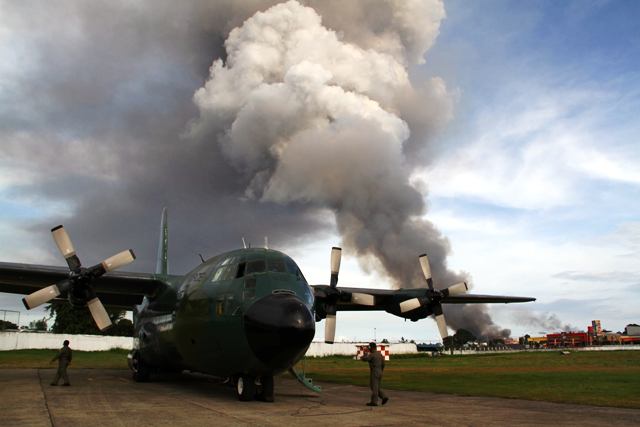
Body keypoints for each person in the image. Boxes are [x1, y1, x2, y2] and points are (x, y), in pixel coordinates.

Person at [360, 342, 388, 406]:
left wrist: (364, 354)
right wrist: (381, 370)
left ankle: (374, 402)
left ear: (371, 347)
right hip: (380, 371)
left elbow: (365, 359)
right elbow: (383, 364)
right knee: (376, 387)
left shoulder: (372, 354)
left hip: (374, 372)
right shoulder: (379, 354)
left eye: (369, 347)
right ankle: (384, 397)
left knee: (374, 387)